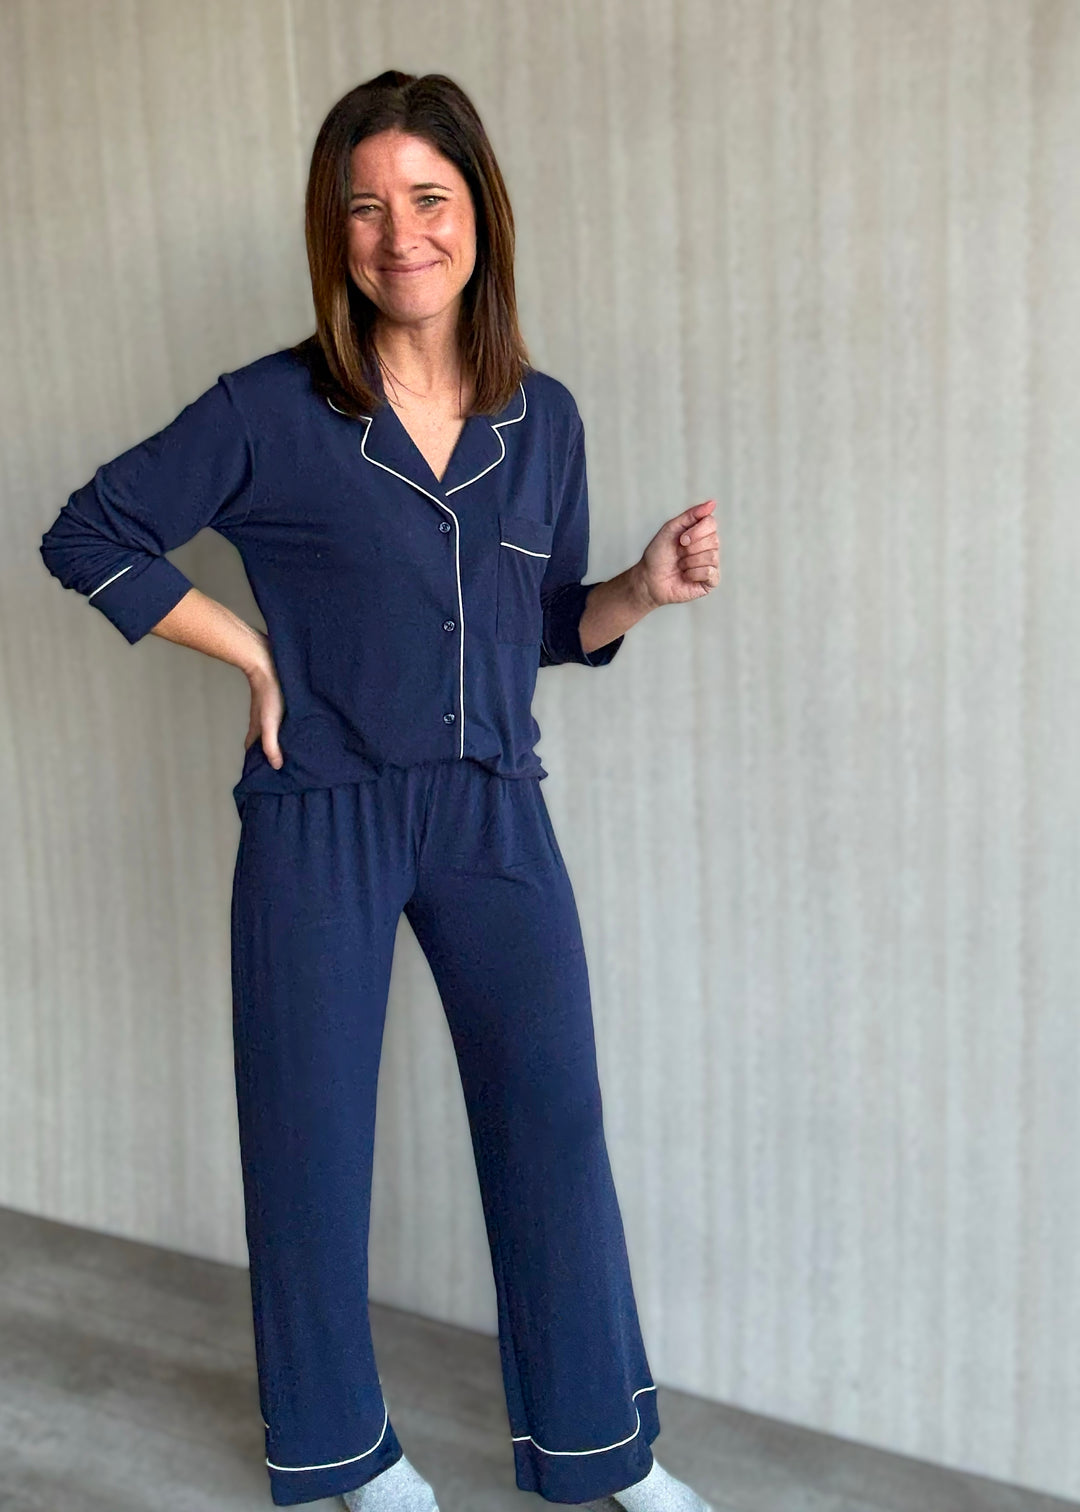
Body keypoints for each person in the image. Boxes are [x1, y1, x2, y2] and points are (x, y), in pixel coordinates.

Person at [38, 70, 720, 1512]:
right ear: (332, 229)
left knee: (553, 1126)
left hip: (492, 809)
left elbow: (543, 627)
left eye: (428, 198)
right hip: (321, 814)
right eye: (365, 206)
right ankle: (345, 1454)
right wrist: (248, 653)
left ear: (480, 215)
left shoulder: (544, 419)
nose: (399, 234)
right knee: (309, 1146)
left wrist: (642, 590)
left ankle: (602, 1449)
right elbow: (87, 532)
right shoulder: (271, 408)